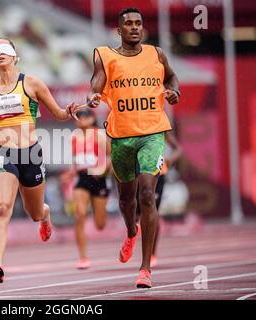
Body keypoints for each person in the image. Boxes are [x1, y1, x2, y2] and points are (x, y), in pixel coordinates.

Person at [0, 38, 79, 283]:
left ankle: (45, 217)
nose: (0, 52)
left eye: (5, 48)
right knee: (2, 208)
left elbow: (58, 114)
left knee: (34, 212)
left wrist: (68, 111)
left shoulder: (32, 83)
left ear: (14, 55)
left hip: (30, 153)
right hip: (2, 152)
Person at [86, 7, 180, 288]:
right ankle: (130, 231)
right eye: (128, 24)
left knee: (147, 196)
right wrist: (92, 96)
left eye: (138, 23)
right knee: (127, 200)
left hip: (152, 133)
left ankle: (145, 268)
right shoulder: (106, 55)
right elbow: (96, 84)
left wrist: (175, 92)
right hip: (121, 136)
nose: (135, 28)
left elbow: (172, 78)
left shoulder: (157, 54)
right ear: (119, 30)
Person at [61, 108, 111, 269]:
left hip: (98, 179)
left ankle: (101, 216)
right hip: (82, 179)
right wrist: (70, 173)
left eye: (84, 117)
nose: (80, 120)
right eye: (78, 117)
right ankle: (83, 257)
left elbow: (112, 156)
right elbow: (76, 161)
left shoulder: (100, 135)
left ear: (91, 119)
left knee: (100, 225)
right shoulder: (74, 137)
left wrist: (103, 170)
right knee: (79, 214)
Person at [136, 131, 183, 267]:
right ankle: (132, 235)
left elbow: (178, 149)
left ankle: (152, 253)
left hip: (158, 172)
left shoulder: (160, 125)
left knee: (152, 211)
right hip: (137, 171)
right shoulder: (132, 122)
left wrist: (170, 159)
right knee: (136, 214)